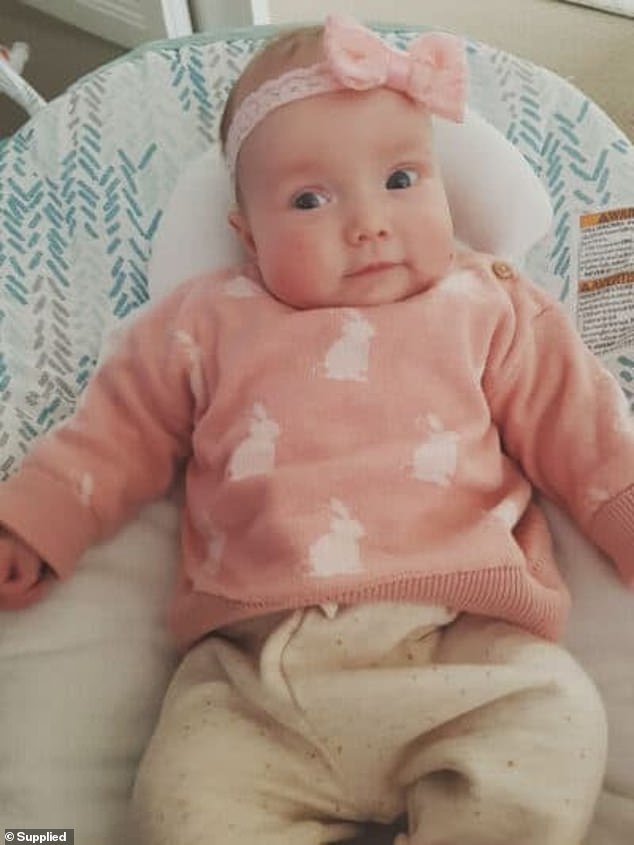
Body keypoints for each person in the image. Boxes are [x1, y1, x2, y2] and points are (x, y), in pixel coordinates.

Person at [0, 14, 632, 845]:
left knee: (557, 722)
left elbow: (582, 426)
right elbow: (113, 428)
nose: (368, 222)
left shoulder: (489, 305)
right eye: (309, 199)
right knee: (180, 803)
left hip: (464, 649)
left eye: (401, 179)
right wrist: (39, 518)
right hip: (256, 677)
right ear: (247, 236)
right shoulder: (206, 320)